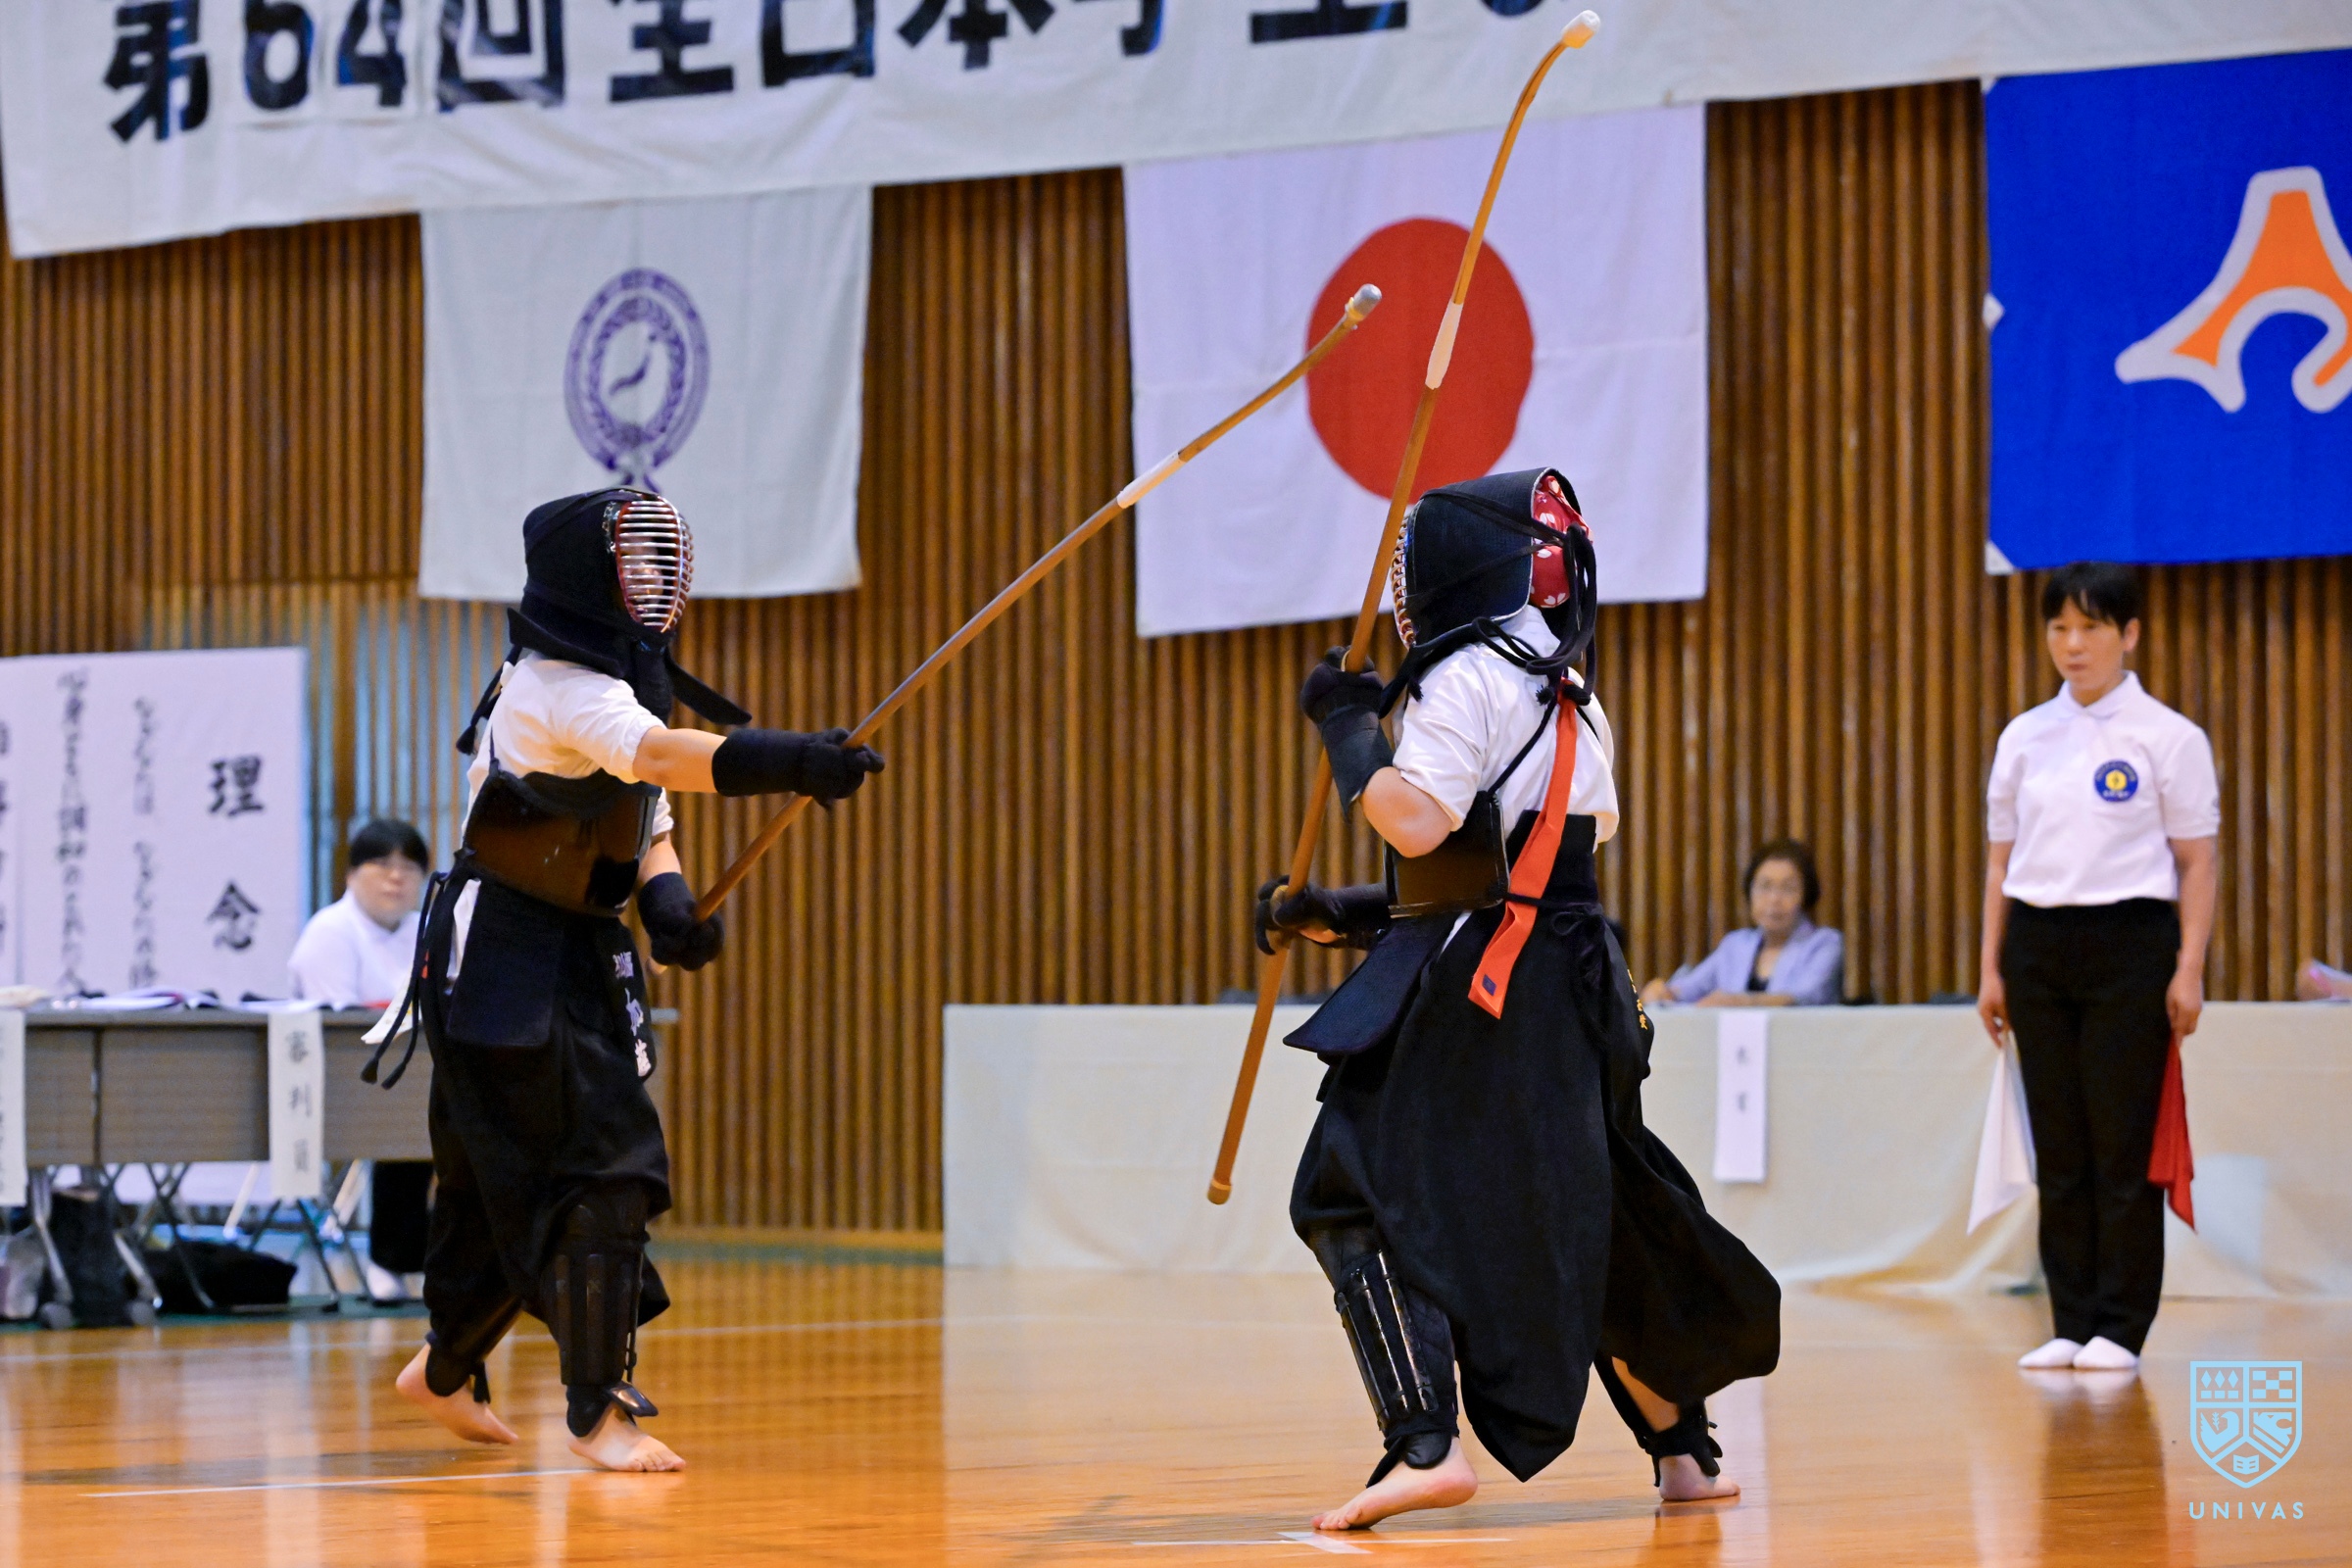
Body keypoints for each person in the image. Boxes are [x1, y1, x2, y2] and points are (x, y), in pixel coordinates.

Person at [1257, 468, 1780, 1532]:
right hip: (1572, 983)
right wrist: (1339, 914)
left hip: (1493, 989)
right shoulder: (1567, 687)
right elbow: (1524, 865)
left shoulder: (1465, 675)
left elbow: (1417, 822)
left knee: (1347, 1182)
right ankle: (1685, 1451)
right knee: (1593, 1205)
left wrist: (1349, 728)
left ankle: (1423, 1442)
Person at [364, 488, 884, 1471]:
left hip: (572, 950)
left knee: (503, 1182)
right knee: (605, 1169)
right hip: (505, 956)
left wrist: (667, 904)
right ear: (585, 576)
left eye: (661, 564)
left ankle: (443, 1369)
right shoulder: (555, 684)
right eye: (635, 564)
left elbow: (645, 816)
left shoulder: (611, 684)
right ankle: (596, 1409)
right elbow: (656, 756)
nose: (654, 581)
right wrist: (790, 760)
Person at [1975, 561, 2218, 1376]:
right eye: (2059, 628)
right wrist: (1991, 968)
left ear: (2129, 634)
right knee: (2060, 1143)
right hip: (2038, 945)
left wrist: (2189, 967)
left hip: (2131, 945)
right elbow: (2000, 863)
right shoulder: (2024, 737)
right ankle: (2071, 1320)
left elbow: (2197, 862)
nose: (2073, 645)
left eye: (2091, 628)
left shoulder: (2169, 737)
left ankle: (2121, 1325)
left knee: (2121, 1144)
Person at [287, 817, 435, 1303]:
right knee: (406, 1109)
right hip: (342, 1080)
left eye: (409, 867)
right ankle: (392, 1259)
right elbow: (337, 1026)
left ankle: (433, 1259)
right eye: (382, 864)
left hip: (410, 1074)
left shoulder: (426, 930)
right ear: (352, 874)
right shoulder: (330, 931)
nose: (396, 877)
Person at [1639, 839, 1844, 1007]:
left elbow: (1806, 997)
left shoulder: (1825, 943)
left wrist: (1740, 1002)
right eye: (1765, 887)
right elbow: (1689, 988)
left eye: (1788, 889)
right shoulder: (1736, 945)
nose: (1774, 899)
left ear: (1806, 896)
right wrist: (1665, 993)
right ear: (1749, 892)